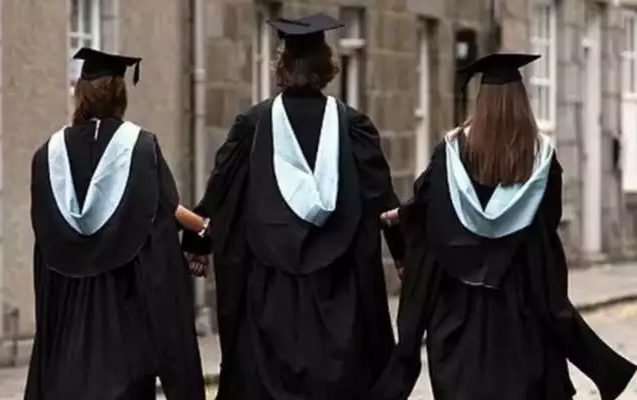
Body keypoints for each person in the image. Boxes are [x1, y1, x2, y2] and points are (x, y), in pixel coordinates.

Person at [371, 53, 637, 400]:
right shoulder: (541, 162)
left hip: (458, 327)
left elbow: (427, 215)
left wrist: (401, 221)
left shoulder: (449, 156)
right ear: (522, 101)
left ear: (481, 102)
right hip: (522, 323)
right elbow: (546, 234)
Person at [181, 12, 405, 399]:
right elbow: (382, 199)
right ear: (327, 67)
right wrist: (403, 254)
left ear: (281, 67)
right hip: (339, 287)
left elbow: (221, 190)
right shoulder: (354, 127)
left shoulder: (253, 126)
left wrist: (198, 243)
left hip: (270, 288)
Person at [25, 48, 205, 400]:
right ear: (121, 95)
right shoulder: (141, 150)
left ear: (80, 92)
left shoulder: (47, 156)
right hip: (125, 338)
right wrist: (201, 236)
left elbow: (44, 250)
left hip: (65, 340)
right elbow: (163, 223)